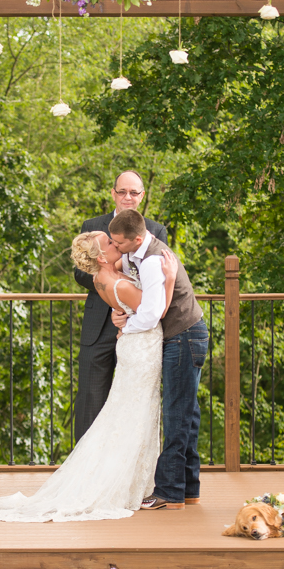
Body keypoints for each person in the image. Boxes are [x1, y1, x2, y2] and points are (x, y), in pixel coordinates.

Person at [0, 232, 178, 522]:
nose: (116, 245)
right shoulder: (118, 281)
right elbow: (156, 312)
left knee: (124, 414)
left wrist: (123, 317)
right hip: (142, 348)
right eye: (110, 243)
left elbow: (126, 308)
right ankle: (127, 484)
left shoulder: (101, 279)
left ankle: (133, 481)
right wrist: (168, 279)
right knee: (135, 414)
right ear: (100, 257)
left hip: (132, 346)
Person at [110, 209, 209, 510]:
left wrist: (127, 326)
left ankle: (169, 491)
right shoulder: (137, 253)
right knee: (187, 414)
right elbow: (117, 265)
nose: (116, 248)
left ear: (137, 239)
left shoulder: (154, 262)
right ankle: (189, 488)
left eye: (119, 243)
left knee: (176, 414)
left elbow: (153, 315)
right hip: (186, 335)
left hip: (184, 336)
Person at [73, 170, 167, 441]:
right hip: (98, 327)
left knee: (131, 402)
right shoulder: (92, 225)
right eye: (122, 191)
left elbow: (155, 278)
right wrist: (111, 292)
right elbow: (80, 272)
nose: (128, 197)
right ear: (113, 194)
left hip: (138, 330)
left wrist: (125, 301)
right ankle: (84, 469)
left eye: (134, 192)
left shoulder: (155, 230)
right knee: (90, 400)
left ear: (142, 196)